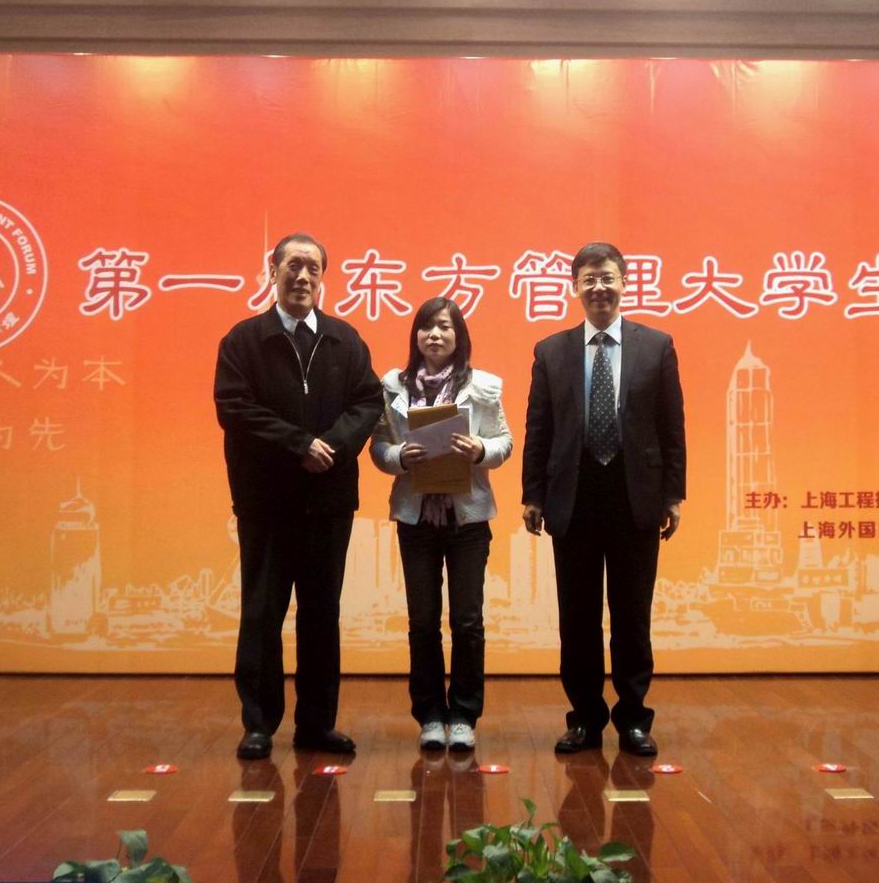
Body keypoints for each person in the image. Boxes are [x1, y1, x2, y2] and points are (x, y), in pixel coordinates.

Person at [214, 232, 383, 759]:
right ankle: (258, 724)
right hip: (266, 503)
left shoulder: (344, 339)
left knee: (320, 615)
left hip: (329, 503)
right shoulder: (244, 340)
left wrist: (331, 446)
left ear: (323, 277)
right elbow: (234, 407)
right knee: (262, 613)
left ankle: (316, 725)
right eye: (293, 265)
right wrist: (298, 445)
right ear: (273, 271)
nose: (302, 276)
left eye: (313, 267)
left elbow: (368, 401)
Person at [521, 242, 685, 756]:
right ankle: (585, 719)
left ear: (624, 283)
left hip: (636, 497)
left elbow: (672, 426)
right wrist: (533, 494)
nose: (599, 287)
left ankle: (634, 719)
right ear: (575, 287)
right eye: (589, 279)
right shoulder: (551, 351)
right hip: (574, 497)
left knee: (633, 616)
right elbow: (539, 428)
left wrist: (673, 495)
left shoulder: (656, 346)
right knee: (578, 618)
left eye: (607, 277)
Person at [370, 297, 513, 752]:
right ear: (415, 335)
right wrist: (399, 456)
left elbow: (505, 442)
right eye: (427, 327)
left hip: (467, 518)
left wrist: (480, 450)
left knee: (467, 620)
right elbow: (377, 447)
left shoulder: (483, 385)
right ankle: (430, 715)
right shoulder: (393, 386)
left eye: (445, 327)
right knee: (423, 621)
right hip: (416, 518)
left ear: (459, 336)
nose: (435, 335)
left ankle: (464, 715)